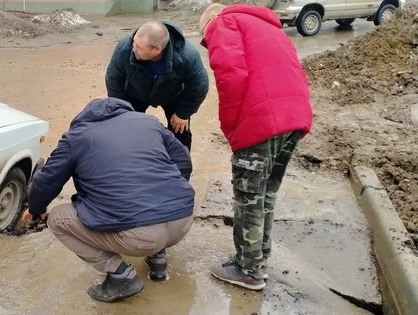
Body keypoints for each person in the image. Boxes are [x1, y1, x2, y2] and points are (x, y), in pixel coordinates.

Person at [20, 97, 196, 303]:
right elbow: (184, 161)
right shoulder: (148, 122)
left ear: (82, 118)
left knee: (57, 219)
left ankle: (121, 276)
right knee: (147, 207)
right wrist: (167, 195)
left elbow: (46, 181)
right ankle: (158, 260)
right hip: (183, 221)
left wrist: (35, 209)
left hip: (141, 237)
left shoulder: (76, 137)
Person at [198, 4, 313, 290]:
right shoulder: (269, 27)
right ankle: (257, 258)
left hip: (261, 118)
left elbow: (230, 75)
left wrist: (233, 128)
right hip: (294, 116)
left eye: (205, 36)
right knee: (266, 193)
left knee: (249, 197)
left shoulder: (223, 22)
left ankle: (247, 270)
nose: (208, 40)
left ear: (212, 18)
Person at [105, 20, 209, 152]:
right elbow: (113, 80)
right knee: (126, 129)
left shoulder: (187, 55)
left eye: (139, 47)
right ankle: (131, 162)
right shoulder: (125, 48)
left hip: (173, 94)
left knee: (181, 131)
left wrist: (183, 113)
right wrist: (123, 110)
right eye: (134, 43)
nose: (133, 48)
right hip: (136, 92)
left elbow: (199, 85)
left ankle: (180, 170)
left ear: (157, 50)